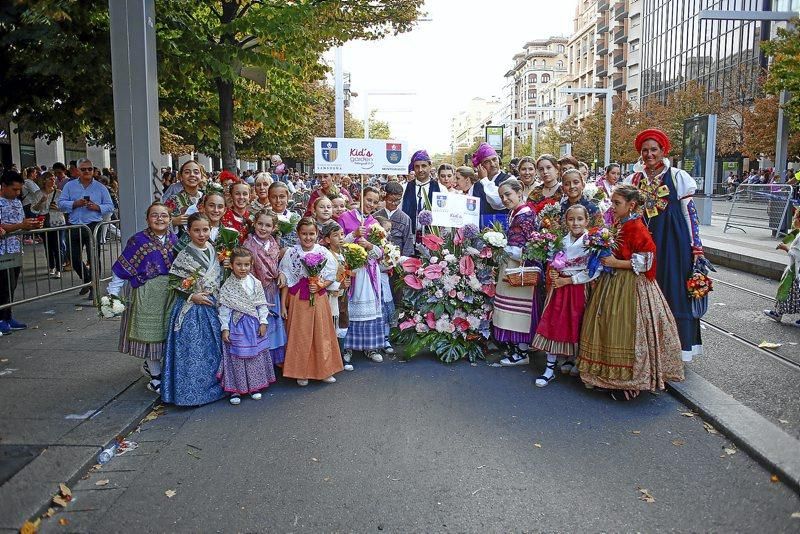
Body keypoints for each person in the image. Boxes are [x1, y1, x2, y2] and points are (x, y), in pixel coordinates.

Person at [578, 184, 684, 400]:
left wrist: (616, 262)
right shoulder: (622, 224)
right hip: (614, 282)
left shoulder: (636, 227)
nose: (613, 207)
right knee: (608, 325)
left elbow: (647, 261)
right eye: (613, 202)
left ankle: (630, 382)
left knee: (625, 327)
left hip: (631, 285)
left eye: (617, 203)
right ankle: (612, 378)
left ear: (631, 205)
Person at [626, 128, 705, 362]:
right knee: (643, 289)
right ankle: (646, 346)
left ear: (663, 151)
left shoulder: (678, 177)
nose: (649, 154)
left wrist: (696, 247)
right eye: (645, 150)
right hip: (642, 241)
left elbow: (689, 213)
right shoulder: (634, 179)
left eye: (654, 150)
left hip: (672, 239)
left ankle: (674, 349)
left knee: (672, 287)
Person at [107, 202, 178, 394]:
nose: (159, 219)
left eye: (164, 215)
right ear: (147, 219)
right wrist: (113, 294)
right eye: (154, 215)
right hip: (147, 292)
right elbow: (123, 267)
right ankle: (155, 377)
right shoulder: (138, 240)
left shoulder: (174, 239)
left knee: (165, 333)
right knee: (150, 335)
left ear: (170, 220)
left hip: (170, 292)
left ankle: (155, 368)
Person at [162, 213, 226, 406]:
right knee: (193, 350)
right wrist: (192, 296)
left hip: (212, 304)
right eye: (196, 230)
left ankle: (215, 387)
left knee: (213, 349)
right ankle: (192, 393)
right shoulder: (184, 254)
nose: (201, 234)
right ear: (188, 231)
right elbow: (174, 280)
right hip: (192, 307)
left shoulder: (213, 250)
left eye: (205, 230)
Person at [532, 204, 599, 386]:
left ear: (587, 221)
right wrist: (553, 272)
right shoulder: (560, 240)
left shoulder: (592, 242)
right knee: (553, 323)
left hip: (578, 288)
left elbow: (594, 270)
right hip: (559, 288)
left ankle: (578, 362)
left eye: (579, 219)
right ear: (566, 221)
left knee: (578, 324)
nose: (575, 223)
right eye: (571, 219)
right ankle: (549, 368)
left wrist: (568, 281)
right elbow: (555, 261)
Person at [279, 217, 343, 386]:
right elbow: (286, 277)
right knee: (300, 334)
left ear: (317, 234)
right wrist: (282, 304)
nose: (308, 238)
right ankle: (301, 371)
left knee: (321, 333)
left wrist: (321, 284)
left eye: (311, 234)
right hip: (298, 298)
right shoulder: (291, 253)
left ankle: (324, 369)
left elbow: (330, 275)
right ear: (298, 234)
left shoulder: (323, 252)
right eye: (304, 234)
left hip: (318, 296)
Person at [217, 247, 276, 405]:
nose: (243, 268)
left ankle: (254, 386)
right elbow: (224, 310)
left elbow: (262, 305)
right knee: (237, 357)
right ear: (232, 265)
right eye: (239, 265)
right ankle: (235, 389)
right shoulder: (228, 286)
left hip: (253, 324)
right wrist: (225, 328)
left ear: (251, 265)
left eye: (246, 265)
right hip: (237, 325)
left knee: (254, 356)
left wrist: (263, 321)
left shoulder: (255, 283)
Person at [493, 179, 542, 367]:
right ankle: (517, 348)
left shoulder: (526, 214)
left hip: (521, 266)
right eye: (502, 196)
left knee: (519, 311)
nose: (505, 199)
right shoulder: (515, 213)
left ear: (519, 192)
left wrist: (505, 248)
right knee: (511, 309)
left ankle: (522, 351)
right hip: (511, 264)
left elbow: (531, 246)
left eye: (508, 194)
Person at [338, 186, 386, 364]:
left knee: (370, 311)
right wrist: (354, 235)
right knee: (349, 308)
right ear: (360, 197)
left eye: (374, 202)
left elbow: (382, 252)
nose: (371, 204)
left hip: (369, 272)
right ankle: (348, 347)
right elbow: (338, 243)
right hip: (352, 271)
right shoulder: (345, 217)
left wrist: (370, 246)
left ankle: (370, 347)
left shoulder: (375, 223)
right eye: (369, 200)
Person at [58, 158, 114, 300]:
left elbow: (110, 206)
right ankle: (88, 280)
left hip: (93, 225)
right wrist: (74, 204)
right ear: (77, 171)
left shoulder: (100, 187)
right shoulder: (70, 186)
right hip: (75, 225)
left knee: (93, 257)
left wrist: (97, 207)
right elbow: (61, 204)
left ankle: (94, 288)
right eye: (84, 169)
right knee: (74, 257)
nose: (87, 172)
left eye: (90, 169)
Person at [0, 170, 44, 334]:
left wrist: (31, 225)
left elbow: (20, 222)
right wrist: (20, 226)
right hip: (2, 251)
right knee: (3, 285)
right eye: (14, 189)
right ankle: (1, 318)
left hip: (16, 249)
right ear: (4, 186)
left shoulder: (17, 202)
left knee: (11, 285)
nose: (18, 193)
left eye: (19, 190)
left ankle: (8, 316)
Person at [243, 210, 287, 368]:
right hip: (256, 292)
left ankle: (276, 358)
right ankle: (262, 360)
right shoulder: (248, 244)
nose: (263, 228)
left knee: (274, 324)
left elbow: (277, 264)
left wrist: (281, 273)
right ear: (254, 224)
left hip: (273, 290)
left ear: (274, 228)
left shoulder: (274, 243)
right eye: (260, 224)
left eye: (268, 225)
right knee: (260, 324)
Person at [320, 221, 353, 371]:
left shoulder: (344, 253)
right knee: (332, 325)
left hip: (343, 295)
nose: (340, 238)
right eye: (335, 235)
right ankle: (331, 360)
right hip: (331, 296)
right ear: (327, 240)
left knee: (342, 323)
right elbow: (324, 277)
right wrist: (339, 285)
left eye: (342, 234)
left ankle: (339, 357)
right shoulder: (326, 255)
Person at [764, 210, 800, 326]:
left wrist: (786, 248)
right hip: (794, 270)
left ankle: (778, 314)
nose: (793, 220)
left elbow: (797, 255)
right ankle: (778, 313)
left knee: (785, 291)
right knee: (791, 293)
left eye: (795, 218)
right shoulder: (798, 233)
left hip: (795, 271)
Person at [30, 171, 65, 279]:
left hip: (58, 221)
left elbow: (66, 208)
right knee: (48, 246)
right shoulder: (38, 193)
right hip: (44, 222)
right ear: (44, 180)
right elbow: (33, 209)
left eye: (53, 178)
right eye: (50, 178)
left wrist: (58, 208)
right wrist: (41, 202)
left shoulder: (59, 192)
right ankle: (51, 266)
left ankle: (59, 268)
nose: (53, 180)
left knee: (58, 246)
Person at [401, 150, 442, 234]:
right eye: (417, 166)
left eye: (423, 166)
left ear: (430, 166)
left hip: (432, 238)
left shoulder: (441, 189)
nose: (420, 170)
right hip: (409, 237)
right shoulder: (404, 188)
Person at [471, 142, 511, 228]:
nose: (492, 164)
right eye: (487, 162)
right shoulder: (476, 186)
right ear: (480, 166)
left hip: (504, 232)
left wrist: (485, 180)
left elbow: (498, 202)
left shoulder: (509, 180)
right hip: (481, 233)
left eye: (494, 159)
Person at [373, 181, 415, 258]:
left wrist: (403, 260)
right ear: (385, 197)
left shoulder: (405, 219)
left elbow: (408, 242)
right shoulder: (375, 216)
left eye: (397, 201)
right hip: (377, 257)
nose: (393, 203)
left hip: (398, 259)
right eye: (390, 200)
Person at [164, 161, 206, 235]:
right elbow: (161, 221)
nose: (192, 175)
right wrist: (173, 221)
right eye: (187, 172)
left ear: (201, 176)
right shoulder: (173, 200)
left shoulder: (207, 198)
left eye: (196, 172)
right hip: (181, 243)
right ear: (181, 177)